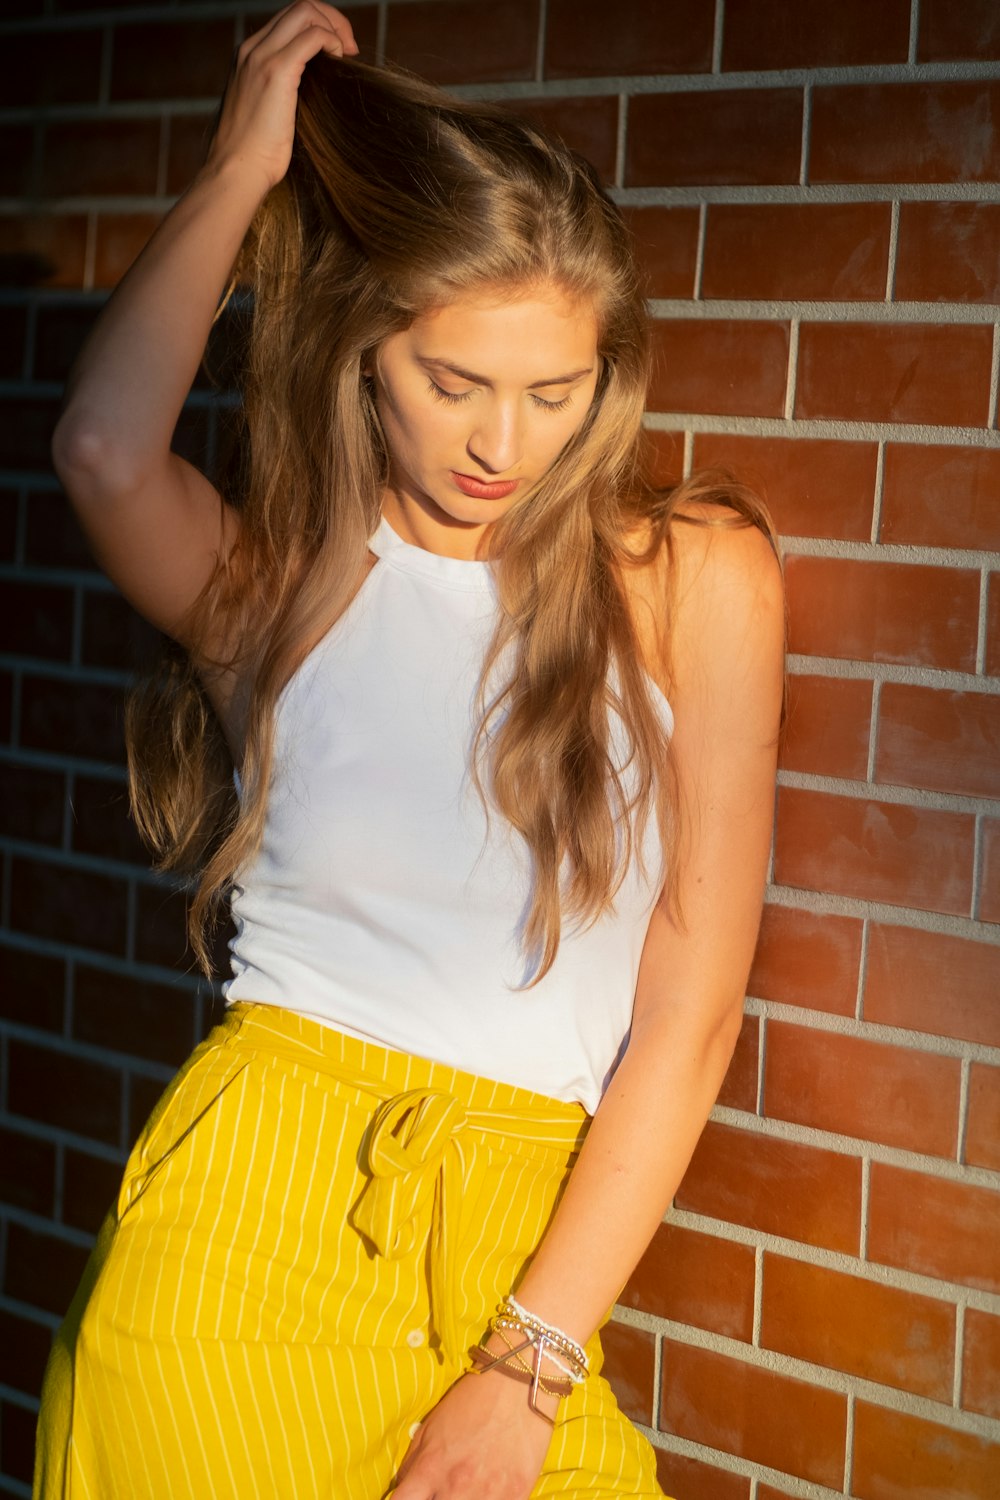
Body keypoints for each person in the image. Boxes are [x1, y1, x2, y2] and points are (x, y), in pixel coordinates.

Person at [33, 4, 785, 1497]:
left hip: (522, 1250)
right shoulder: (294, 591)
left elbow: (694, 1009)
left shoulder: (699, 577)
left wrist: (529, 1360)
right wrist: (244, 169)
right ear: (367, 351)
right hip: (241, 1242)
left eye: (554, 393)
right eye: (455, 381)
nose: (504, 442)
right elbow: (107, 454)